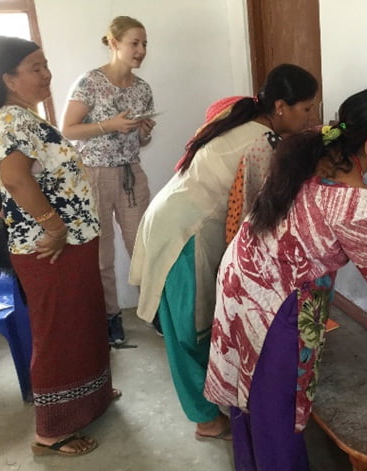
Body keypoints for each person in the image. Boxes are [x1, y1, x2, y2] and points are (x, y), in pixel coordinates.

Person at [203, 87, 367, 470]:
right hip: (278, 305)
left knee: (251, 397)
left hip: (244, 276)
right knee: (275, 411)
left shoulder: (318, 144)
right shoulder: (356, 201)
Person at [129, 64, 318, 441]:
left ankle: (208, 405)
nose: (310, 116)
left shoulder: (241, 115)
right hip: (185, 232)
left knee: (195, 326)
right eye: (307, 108)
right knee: (188, 333)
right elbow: (260, 216)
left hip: (173, 217)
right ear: (281, 106)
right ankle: (204, 420)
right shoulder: (261, 144)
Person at [0, 36, 119, 457]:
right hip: (51, 247)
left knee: (81, 323)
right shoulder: (12, 120)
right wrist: (55, 227)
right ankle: (52, 432)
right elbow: (15, 179)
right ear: (8, 78)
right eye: (34, 68)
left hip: (71, 243)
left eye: (46, 65)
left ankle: (91, 399)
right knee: (58, 333)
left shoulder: (27, 116)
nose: (46, 74)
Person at [61, 16, 156, 346]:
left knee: (143, 246)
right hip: (93, 174)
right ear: (114, 43)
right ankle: (111, 316)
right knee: (101, 255)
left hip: (131, 172)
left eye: (144, 44)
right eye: (135, 43)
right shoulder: (90, 82)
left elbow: (138, 141)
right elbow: (68, 130)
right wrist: (110, 125)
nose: (141, 50)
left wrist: (143, 133)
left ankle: (154, 310)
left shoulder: (143, 89)